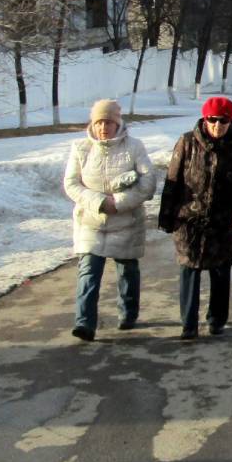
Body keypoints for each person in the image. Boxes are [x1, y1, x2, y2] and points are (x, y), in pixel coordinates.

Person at [158, 96, 232, 339]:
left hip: (223, 222)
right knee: (189, 270)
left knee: (221, 271)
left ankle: (217, 319)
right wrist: (166, 215)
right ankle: (188, 324)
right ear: (205, 119)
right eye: (213, 120)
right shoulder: (187, 142)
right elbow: (172, 181)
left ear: (230, 121)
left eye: (223, 121)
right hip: (189, 220)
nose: (217, 125)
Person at [63, 99, 156, 342]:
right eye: (99, 122)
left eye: (108, 122)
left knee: (127, 271)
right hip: (91, 221)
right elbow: (71, 184)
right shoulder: (81, 148)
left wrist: (119, 202)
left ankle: (128, 313)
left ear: (117, 123)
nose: (103, 127)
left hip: (126, 221)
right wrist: (99, 202)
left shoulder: (134, 147)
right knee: (88, 272)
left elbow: (148, 183)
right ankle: (84, 323)